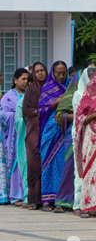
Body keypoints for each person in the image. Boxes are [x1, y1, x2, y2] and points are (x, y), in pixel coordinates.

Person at [74, 69, 96, 218]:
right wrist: (94, 116)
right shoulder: (88, 96)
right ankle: (87, 206)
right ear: (95, 78)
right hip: (90, 138)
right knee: (90, 169)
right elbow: (79, 116)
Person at [38, 61, 70, 211]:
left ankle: (61, 200)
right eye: (59, 73)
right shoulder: (47, 89)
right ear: (53, 73)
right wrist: (56, 103)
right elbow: (40, 111)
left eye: (64, 73)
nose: (62, 76)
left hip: (65, 131)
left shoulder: (71, 88)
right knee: (47, 165)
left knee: (63, 165)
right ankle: (46, 201)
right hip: (50, 131)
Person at [53, 69, 82, 213]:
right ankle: (63, 200)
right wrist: (78, 116)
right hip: (72, 134)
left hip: (90, 135)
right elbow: (59, 116)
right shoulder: (70, 95)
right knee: (70, 166)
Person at [0, 68, 29, 205]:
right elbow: (3, 115)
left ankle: (27, 194)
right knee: (17, 165)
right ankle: (16, 195)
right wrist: (17, 115)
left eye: (27, 79)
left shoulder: (30, 95)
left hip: (27, 134)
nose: (25, 82)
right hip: (13, 137)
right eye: (23, 79)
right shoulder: (8, 97)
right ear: (15, 80)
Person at [22, 62, 48, 210]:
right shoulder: (31, 90)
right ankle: (33, 199)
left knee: (48, 163)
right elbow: (25, 111)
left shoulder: (52, 88)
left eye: (42, 70)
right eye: (37, 71)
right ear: (33, 73)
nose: (40, 73)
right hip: (34, 129)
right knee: (34, 162)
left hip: (49, 129)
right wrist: (42, 111)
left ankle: (47, 199)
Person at [71, 67, 96, 215]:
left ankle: (92, 203)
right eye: (91, 77)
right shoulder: (78, 94)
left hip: (95, 137)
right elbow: (80, 117)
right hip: (81, 135)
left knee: (93, 170)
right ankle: (78, 204)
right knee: (80, 170)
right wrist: (94, 115)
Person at [14, 73, 33, 208]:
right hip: (25, 139)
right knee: (26, 167)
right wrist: (28, 118)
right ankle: (27, 196)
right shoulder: (22, 101)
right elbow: (17, 121)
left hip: (38, 138)